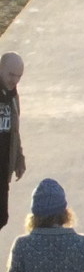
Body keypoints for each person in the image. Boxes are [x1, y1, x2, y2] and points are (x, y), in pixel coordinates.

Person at [0, 54, 22, 229]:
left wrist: (19, 159)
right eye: (11, 75)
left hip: (3, 168)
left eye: (19, 76)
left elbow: (14, 131)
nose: (15, 80)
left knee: (2, 217)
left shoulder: (13, 96)